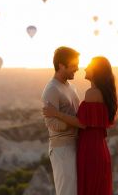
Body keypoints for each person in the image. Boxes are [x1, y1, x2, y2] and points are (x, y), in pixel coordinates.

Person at [43, 56, 118, 195]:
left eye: (89, 66)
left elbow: (82, 123)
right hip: (97, 147)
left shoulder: (92, 93)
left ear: (96, 71)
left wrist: (56, 113)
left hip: (90, 148)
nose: (84, 68)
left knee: (90, 188)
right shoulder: (101, 93)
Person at [41, 46, 80, 195]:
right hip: (62, 149)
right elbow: (51, 123)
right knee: (67, 192)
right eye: (74, 65)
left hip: (75, 145)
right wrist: (76, 123)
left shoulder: (71, 87)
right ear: (61, 66)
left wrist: (75, 121)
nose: (77, 69)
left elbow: (76, 116)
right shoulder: (52, 89)